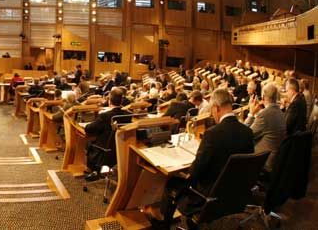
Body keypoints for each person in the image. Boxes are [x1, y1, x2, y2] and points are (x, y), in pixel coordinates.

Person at [155, 89, 254, 229]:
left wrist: (182, 173)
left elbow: (195, 173)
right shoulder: (248, 132)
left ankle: (163, 226)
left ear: (216, 108)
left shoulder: (212, 134)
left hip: (206, 198)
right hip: (233, 197)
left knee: (172, 182)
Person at [84, 88, 131, 181]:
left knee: (88, 142)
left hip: (104, 151)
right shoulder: (128, 115)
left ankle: (94, 170)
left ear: (109, 100)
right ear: (121, 100)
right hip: (119, 150)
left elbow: (89, 129)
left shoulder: (105, 116)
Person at [244, 83, 285, 174]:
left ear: (263, 96)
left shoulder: (264, 114)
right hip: (276, 159)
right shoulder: (281, 112)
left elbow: (246, 134)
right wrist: (256, 113)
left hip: (263, 162)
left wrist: (250, 114)